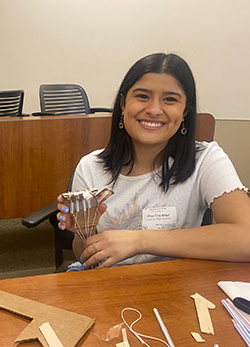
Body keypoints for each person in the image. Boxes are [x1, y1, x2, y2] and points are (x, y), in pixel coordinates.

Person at [57, 53, 250, 270]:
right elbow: (84, 255)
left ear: (185, 110)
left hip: (175, 287)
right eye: (142, 96)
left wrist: (139, 241)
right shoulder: (90, 166)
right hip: (108, 287)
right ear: (123, 103)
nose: (154, 110)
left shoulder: (205, 159)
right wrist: (84, 232)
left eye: (170, 99)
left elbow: (246, 238)